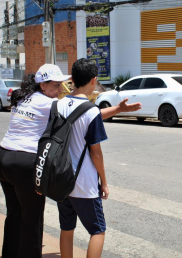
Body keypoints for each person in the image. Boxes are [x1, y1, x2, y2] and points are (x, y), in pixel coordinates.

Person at [0, 63, 141, 258]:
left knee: (14, 213)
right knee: (31, 218)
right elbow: (86, 115)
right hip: (25, 163)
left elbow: (82, 114)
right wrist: (117, 109)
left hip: (2, 157)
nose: (58, 91)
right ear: (43, 85)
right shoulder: (50, 104)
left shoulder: (25, 97)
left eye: (61, 85)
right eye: (55, 86)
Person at [56, 58, 109, 257]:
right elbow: (96, 153)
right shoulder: (92, 111)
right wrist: (104, 181)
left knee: (67, 228)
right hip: (84, 183)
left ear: (72, 79)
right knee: (97, 231)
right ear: (93, 80)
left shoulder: (58, 105)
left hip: (61, 180)